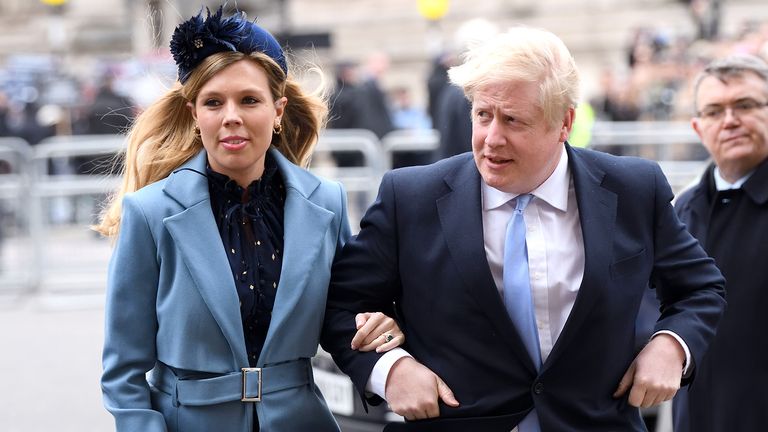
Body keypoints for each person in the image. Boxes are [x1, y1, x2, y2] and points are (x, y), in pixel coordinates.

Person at [320, 27, 726, 431]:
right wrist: (390, 370)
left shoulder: (634, 189)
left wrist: (672, 345)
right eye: (483, 115)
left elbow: (700, 287)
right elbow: (338, 305)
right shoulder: (409, 198)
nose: (491, 139)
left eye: (513, 120)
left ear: (564, 123)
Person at [97, 7, 403, 432]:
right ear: (194, 115)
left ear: (278, 111)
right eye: (213, 102)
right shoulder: (150, 213)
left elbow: (345, 317)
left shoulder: (326, 203)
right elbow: (122, 373)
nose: (231, 117)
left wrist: (380, 327)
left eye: (249, 100)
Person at [671, 53, 768, 432]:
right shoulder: (682, 211)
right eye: (714, 111)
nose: (730, 120)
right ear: (698, 127)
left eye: (744, 105)